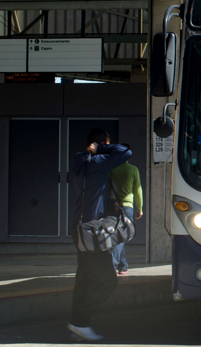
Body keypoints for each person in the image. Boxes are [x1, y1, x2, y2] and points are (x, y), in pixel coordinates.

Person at [67, 129, 131, 342]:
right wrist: (102, 148)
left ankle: (78, 325)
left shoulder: (79, 160)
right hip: (91, 232)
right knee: (107, 281)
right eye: (105, 143)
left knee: (84, 279)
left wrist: (107, 202)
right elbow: (125, 151)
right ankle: (79, 321)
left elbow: (90, 192)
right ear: (100, 143)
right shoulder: (98, 161)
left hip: (78, 228)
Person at [108, 143, 143, 276]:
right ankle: (114, 265)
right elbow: (138, 190)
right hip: (127, 207)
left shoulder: (112, 169)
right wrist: (139, 208)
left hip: (113, 205)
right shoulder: (133, 169)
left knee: (117, 235)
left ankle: (123, 266)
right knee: (121, 237)